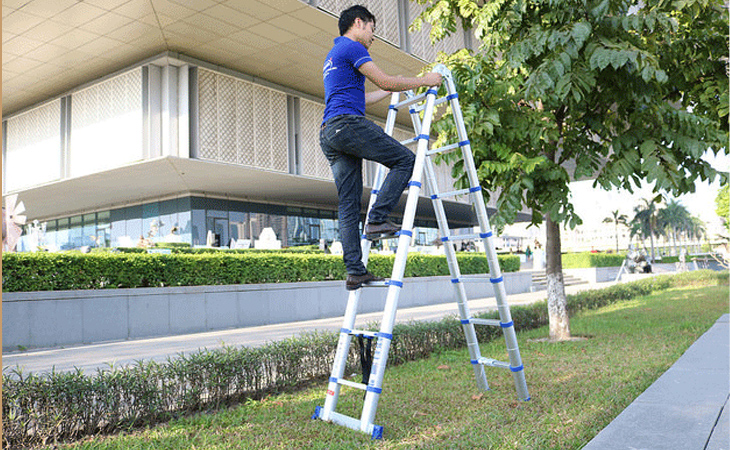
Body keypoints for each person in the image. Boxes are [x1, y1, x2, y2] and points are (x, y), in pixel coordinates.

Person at [320, 5, 442, 291]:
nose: (373, 37)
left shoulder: (333, 55)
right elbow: (385, 79)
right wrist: (425, 81)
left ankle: (355, 272)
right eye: (373, 29)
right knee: (407, 161)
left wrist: (390, 91)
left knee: (348, 205)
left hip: (330, 132)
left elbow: (364, 96)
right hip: (347, 125)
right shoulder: (351, 47)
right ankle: (377, 219)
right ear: (359, 23)